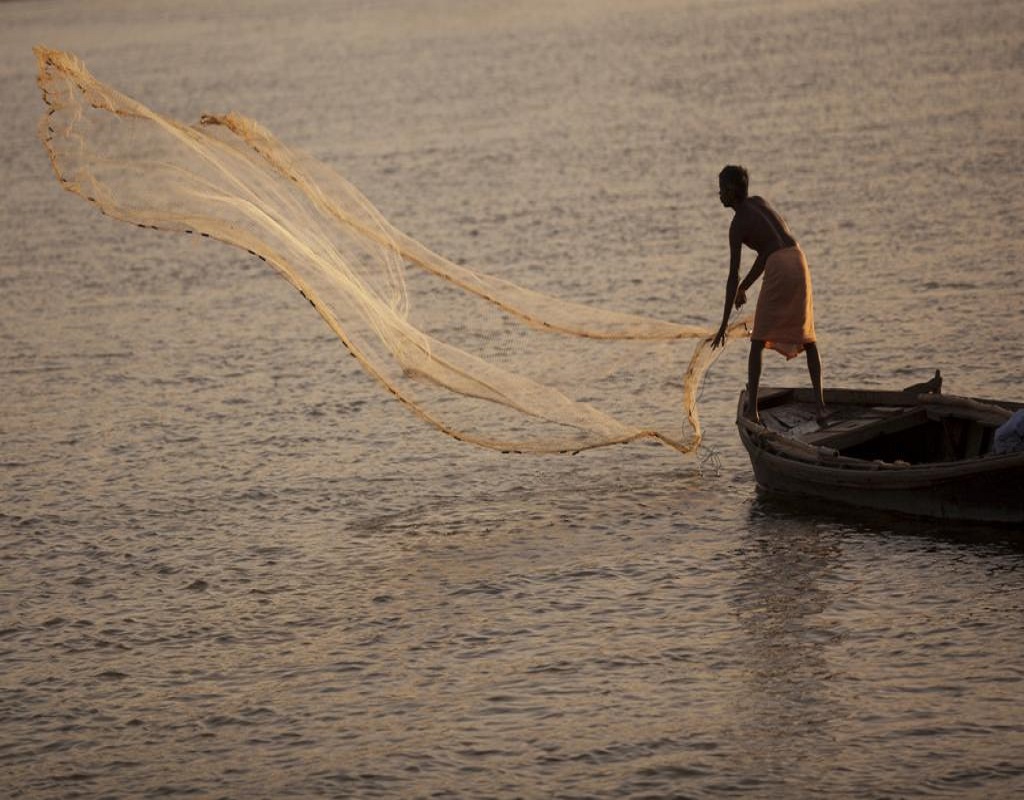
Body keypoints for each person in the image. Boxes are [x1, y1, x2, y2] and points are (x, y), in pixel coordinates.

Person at [710, 165, 825, 424]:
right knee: (808, 340)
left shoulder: (737, 224)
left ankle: (753, 411)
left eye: (721, 190)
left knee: (757, 341)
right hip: (799, 259)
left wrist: (722, 326)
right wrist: (745, 288)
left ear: (730, 191)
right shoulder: (760, 202)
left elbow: (733, 275)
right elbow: (768, 249)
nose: (718, 195)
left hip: (780, 265)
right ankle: (820, 407)